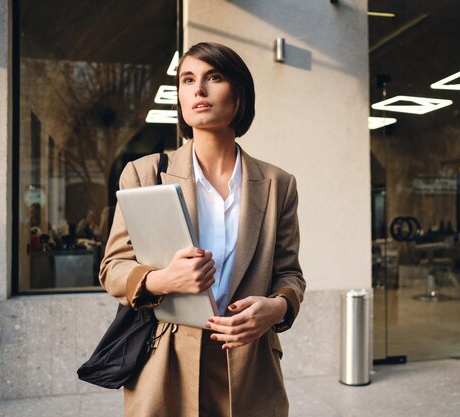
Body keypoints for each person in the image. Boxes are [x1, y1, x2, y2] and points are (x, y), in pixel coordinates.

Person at [99, 42, 305, 417]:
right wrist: (163, 279)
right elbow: (112, 268)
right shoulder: (145, 174)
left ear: (239, 94)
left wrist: (275, 309)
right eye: (188, 79)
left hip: (249, 364)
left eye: (214, 77)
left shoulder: (278, 184)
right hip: (165, 362)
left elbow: (290, 275)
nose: (198, 90)